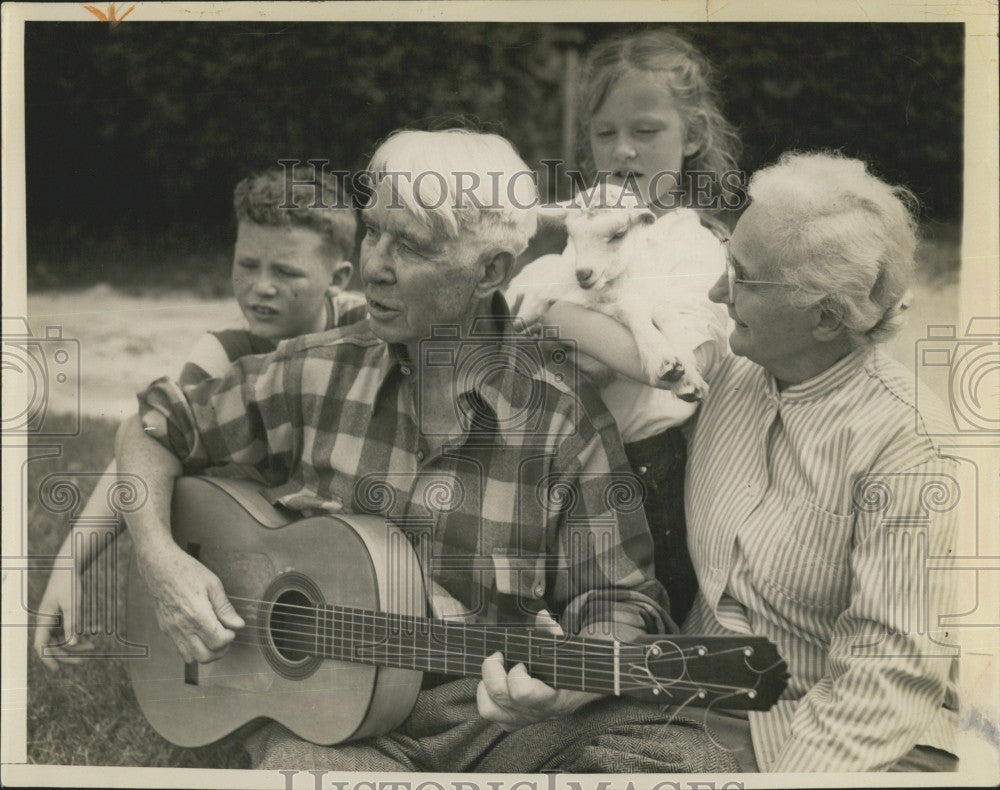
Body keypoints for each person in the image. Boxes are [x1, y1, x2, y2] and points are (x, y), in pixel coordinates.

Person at [114, 128, 742, 773]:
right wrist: (162, 559)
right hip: (337, 729)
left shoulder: (561, 414)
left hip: (492, 721)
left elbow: (620, 601)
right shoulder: (314, 371)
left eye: (408, 245)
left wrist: (568, 686)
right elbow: (155, 425)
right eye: (372, 232)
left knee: (694, 766)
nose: (374, 266)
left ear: (490, 272)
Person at [545, 151, 960, 772]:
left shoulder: (909, 444)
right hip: (688, 708)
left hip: (846, 741)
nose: (717, 290)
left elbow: (886, 681)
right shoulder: (729, 371)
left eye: (743, 277)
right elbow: (581, 321)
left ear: (825, 314)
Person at [34, 167, 364, 668]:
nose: (261, 287)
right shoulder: (223, 353)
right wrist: (70, 562)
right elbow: (148, 438)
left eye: (287, 273)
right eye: (246, 265)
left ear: (337, 279)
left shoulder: (365, 332)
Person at [512, 28, 738, 624]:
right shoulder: (580, 232)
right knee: (559, 616)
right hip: (555, 460)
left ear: (691, 136)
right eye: (604, 133)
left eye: (646, 131)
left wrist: (557, 319)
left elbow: (664, 367)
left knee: (645, 622)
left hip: (644, 470)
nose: (623, 151)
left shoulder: (696, 248)